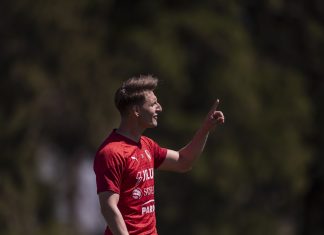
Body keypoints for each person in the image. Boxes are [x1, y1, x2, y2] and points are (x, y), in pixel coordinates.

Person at [93, 75, 225, 235]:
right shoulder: (111, 152)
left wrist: (205, 129)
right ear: (136, 110)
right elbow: (108, 207)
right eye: (153, 104)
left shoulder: (147, 145)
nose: (160, 108)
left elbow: (184, 162)